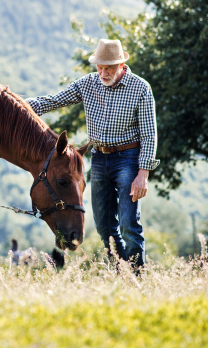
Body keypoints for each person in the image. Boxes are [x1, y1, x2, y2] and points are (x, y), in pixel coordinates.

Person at [26, 39, 159, 268]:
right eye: (99, 67)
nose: (103, 72)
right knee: (104, 226)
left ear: (121, 65)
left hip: (128, 159)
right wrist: (18, 106)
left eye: (108, 68)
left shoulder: (141, 89)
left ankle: (137, 274)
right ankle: (121, 270)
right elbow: (54, 100)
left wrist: (142, 174)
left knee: (128, 224)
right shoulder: (88, 83)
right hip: (98, 159)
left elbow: (149, 135)